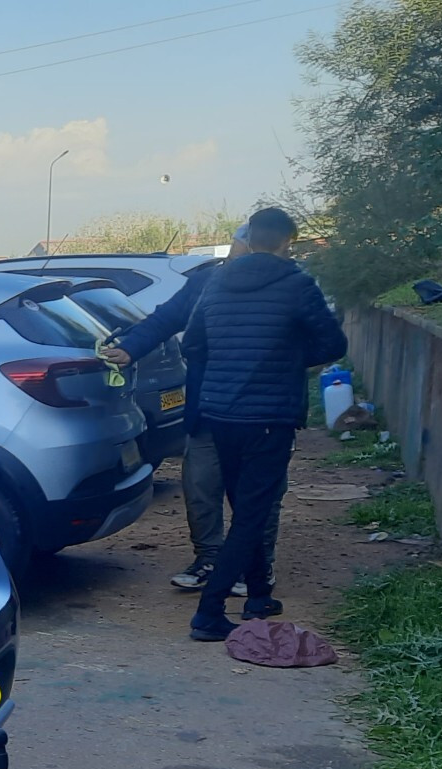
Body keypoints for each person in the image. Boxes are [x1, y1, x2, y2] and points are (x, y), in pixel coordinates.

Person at [178, 206, 346, 641]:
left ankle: (257, 596)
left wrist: (230, 365)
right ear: (288, 241)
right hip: (270, 416)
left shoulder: (216, 282)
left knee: (244, 506)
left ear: (249, 238)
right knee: (253, 514)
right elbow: (332, 342)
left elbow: (193, 343)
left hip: (219, 414)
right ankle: (209, 613)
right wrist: (286, 361)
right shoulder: (296, 283)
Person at [102, 225, 286, 597]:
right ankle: (210, 559)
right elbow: (165, 318)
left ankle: (255, 568)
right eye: (240, 242)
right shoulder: (205, 283)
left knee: (258, 494)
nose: (241, 251)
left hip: (263, 415)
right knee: (200, 487)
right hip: (208, 413)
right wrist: (131, 347)